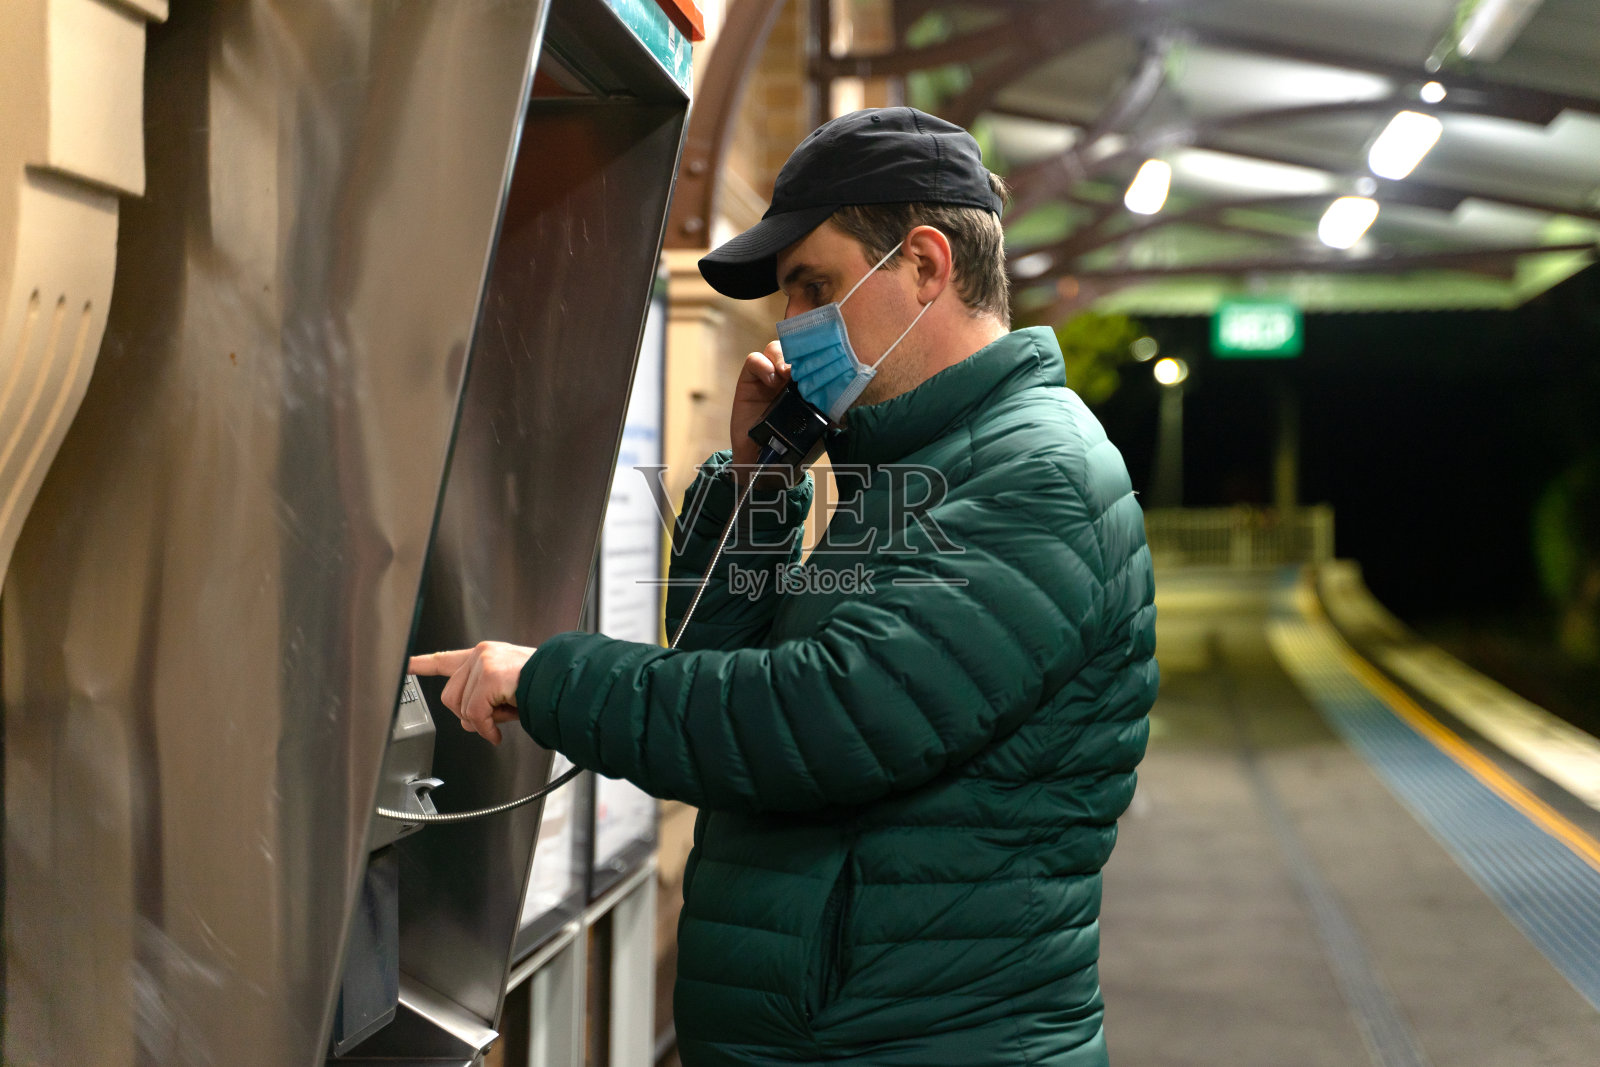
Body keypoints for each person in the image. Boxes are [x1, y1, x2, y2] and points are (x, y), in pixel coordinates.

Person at [412, 107, 1156, 1066]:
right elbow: (718, 668)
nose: (791, 325)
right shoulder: (904, 465)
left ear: (926, 267)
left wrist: (547, 679)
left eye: (815, 285)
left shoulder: (1037, 475)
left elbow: (813, 719)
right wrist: (764, 482)